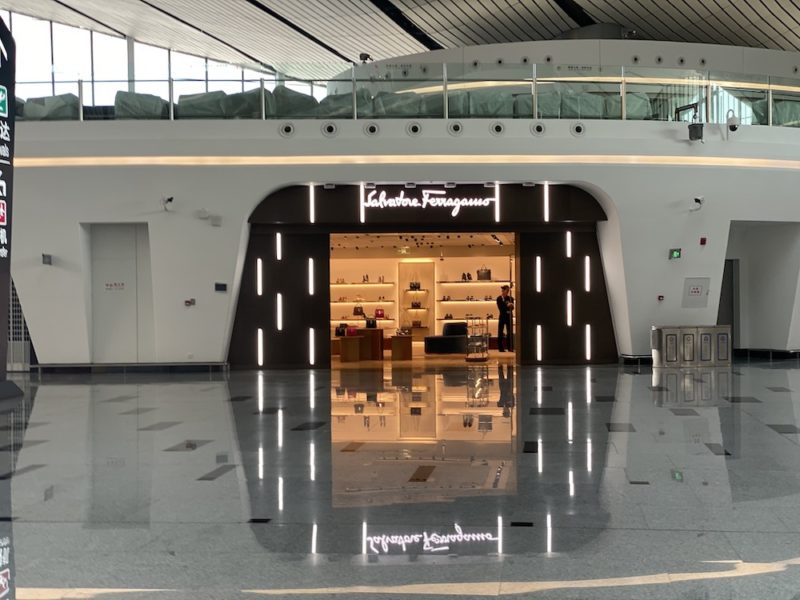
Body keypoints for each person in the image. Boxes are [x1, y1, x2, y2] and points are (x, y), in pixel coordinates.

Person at [496, 285, 514, 352]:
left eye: (504, 290)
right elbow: (501, 308)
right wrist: (507, 306)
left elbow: (512, 308)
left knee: (510, 332)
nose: (503, 291)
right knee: (500, 332)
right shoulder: (499, 299)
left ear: (507, 291)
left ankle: (510, 347)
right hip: (502, 317)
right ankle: (500, 348)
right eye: (502, 290)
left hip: (509, 317)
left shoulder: (511, 298)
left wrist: (510, 306)